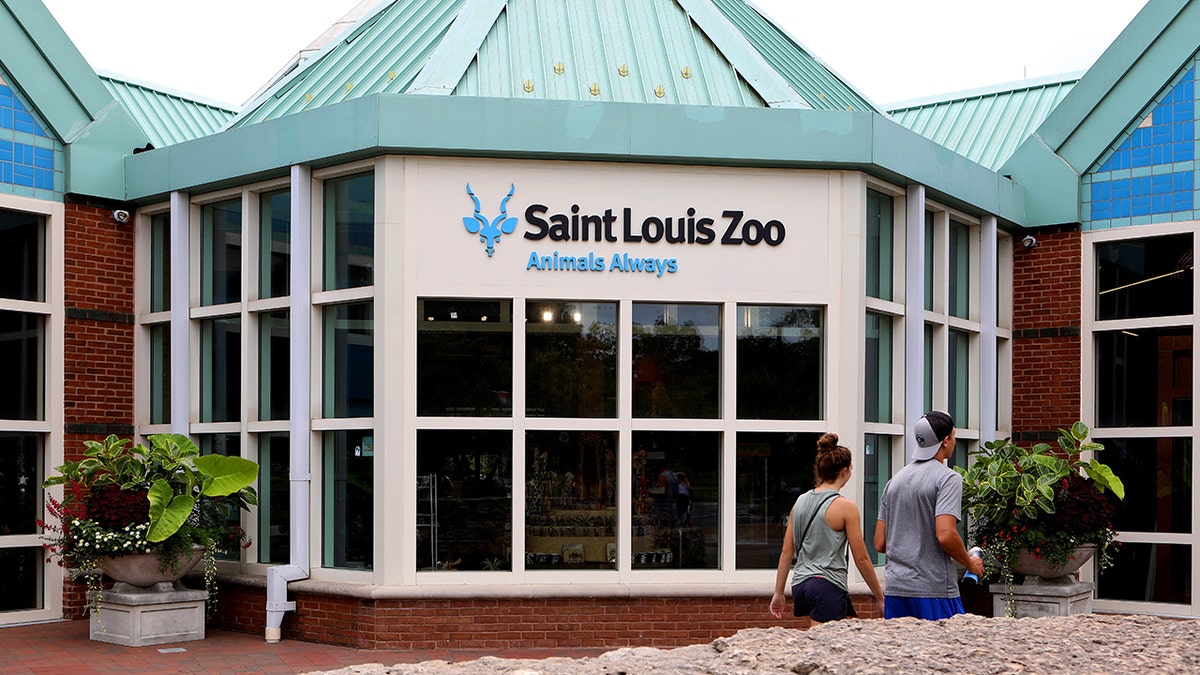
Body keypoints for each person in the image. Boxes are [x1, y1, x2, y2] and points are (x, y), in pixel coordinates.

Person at [873, 410, 984, 620]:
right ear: (945, 441)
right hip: (933, 588)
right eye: (954, 436)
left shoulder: (894, 482)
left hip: (896, 589)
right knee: (948, 650)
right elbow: (946, 535)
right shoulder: (948, 478)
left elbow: (880, 542)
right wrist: (970, 564)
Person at [770, 433, 885, 624]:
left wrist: (778, 592)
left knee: (823, 642)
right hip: (827, 584)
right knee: (825, 649)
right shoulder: (845, 507)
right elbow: (862, 558)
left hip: (801, 585)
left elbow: (786, 552)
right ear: (845, 471)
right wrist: (879, 596)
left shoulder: (799, 502)